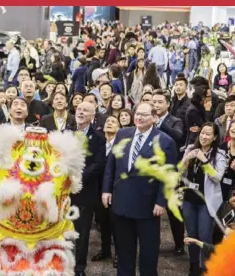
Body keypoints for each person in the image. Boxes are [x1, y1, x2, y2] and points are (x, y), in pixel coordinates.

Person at [102, 102, 178, 276]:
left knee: (148, 254)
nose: (139, 117)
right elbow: (111, 164)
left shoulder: (165, 142)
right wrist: (106, 190)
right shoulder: (122, 134)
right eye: (137, 113)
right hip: (121, 202)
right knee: (124, 251)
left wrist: (161, 201)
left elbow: (169, 175)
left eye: (144, 115)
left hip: (148, 206)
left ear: (154, 118)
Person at [181, 122, 226, 275]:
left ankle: (205, 269)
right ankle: (193, 267)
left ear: (214, 137)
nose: (204, 136)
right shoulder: (190, 149)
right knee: (191, 234)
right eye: (202, 133)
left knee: (204, 235)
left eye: (208, 134)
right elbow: (178, 173)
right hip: (189, 199)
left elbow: (217, 177)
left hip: (207, 202)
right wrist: (186, 161)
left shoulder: (219, 154)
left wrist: (205, 161)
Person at [71, 101, 106, 276]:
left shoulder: (99, 138)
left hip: (85, 192)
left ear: (93, 116)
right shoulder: (66, 133)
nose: (81, 112)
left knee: (82, 233)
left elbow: (99, 164)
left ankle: (79, 268)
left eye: (86, 110)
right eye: (79, 109)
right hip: (64, 192)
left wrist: (78, 179)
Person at [152, 89, 185, 254]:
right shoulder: (146, 119)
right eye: (154, 102)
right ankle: (153, 242)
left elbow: (178, 137)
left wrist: (160, 123)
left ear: (168, 104)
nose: (156, 105)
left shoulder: (175, 121)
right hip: (151, 169)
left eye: (159, 102)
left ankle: (179, 244)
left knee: (174, 208)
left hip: (170, 170)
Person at [91, 115, 120, 267]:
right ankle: (105, 250)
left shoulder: (122, 145)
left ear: (119, 127)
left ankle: (119, 255)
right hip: (98, 189)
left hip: (115, 191)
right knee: (103, 222)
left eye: (113, 122)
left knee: (116, 223)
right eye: (107, 121)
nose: (109, 123)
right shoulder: (100, 144)